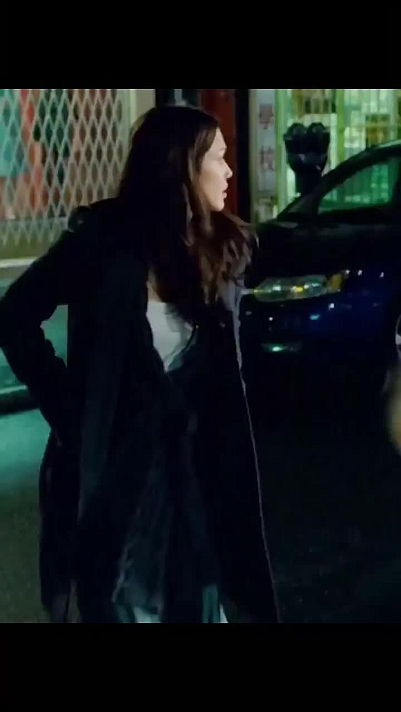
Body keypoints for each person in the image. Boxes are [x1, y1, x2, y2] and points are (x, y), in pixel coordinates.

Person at [0, 105, 280, 624]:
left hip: (192, 482)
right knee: (123, 603)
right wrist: (72, 410)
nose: (229, 171)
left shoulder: (221, 248)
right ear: (183, 167)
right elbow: (14, 316)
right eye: (218, 159)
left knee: (203, 600)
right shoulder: (102, 242)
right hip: (120, 485)